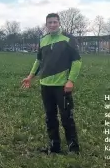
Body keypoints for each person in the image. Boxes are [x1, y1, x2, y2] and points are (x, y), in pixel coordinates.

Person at [21, 13, 82, 155]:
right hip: (45, 85)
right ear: (46, 25)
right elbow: (39, 61)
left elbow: (77, 61)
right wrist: (30, 76)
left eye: (55, 22)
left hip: (62, 86)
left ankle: (73, 148)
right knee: (50, 117)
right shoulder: (42, 40)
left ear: (59, 23)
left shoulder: (68, 38)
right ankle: (54, 147)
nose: (52, 24)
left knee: (67, 117)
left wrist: (70, 80)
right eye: (50, 22)